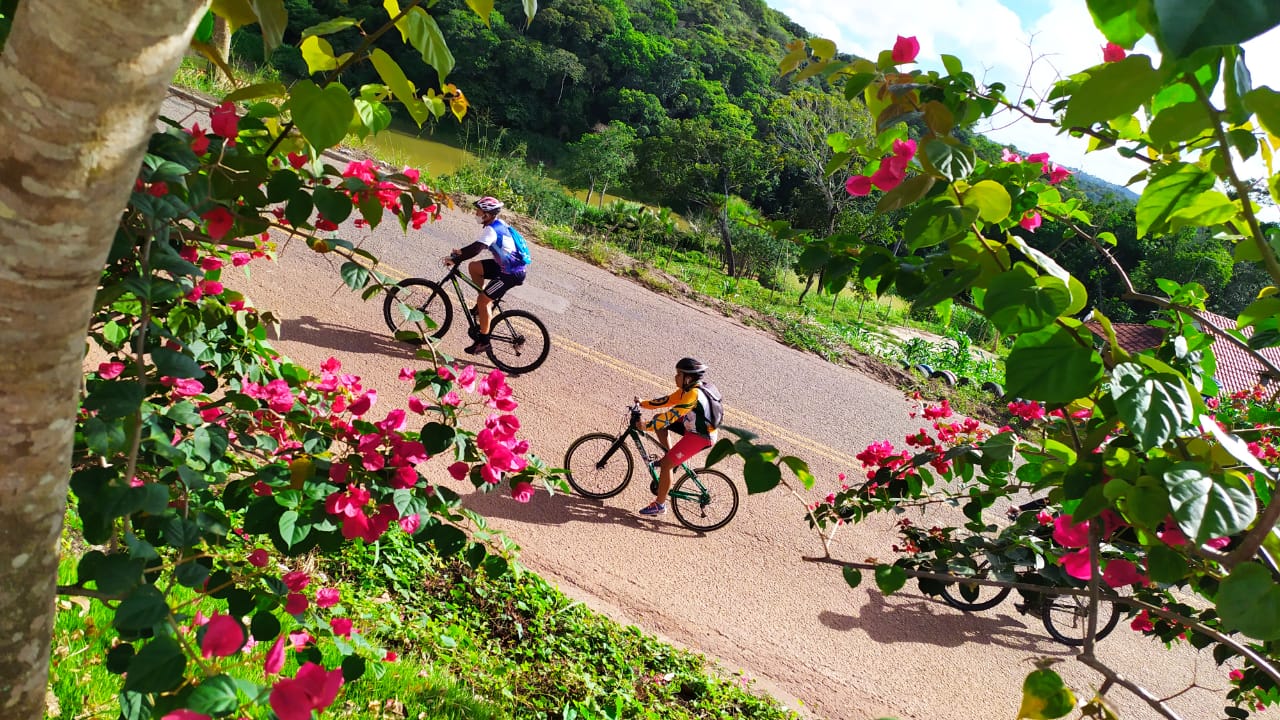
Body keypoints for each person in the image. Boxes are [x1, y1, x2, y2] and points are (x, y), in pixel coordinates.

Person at [634, 357, 719, 516]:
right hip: (694, 425)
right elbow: (667, 401)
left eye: (679, 374)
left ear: (688, 378)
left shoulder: (692, 394)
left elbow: (670, 417)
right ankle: (673, 459)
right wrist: (643, 403)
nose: (675, 377)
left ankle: (660, 505)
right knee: (658, 421)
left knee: (666, 464)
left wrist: (645, 426)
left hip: (701, 436)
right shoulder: (688, 389)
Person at [445, 196, 528, 354]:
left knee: (483, 300)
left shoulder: (491, 230)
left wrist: (455, 259)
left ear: (487, 214)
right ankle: (482, 308)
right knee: (474, 267)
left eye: (478, 211)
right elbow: (476, 247)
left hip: (511, 273)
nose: (476, 213)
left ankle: (483, 342)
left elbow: (477, 249)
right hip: (506, 266)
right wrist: (461, 252)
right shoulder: (498, 223)